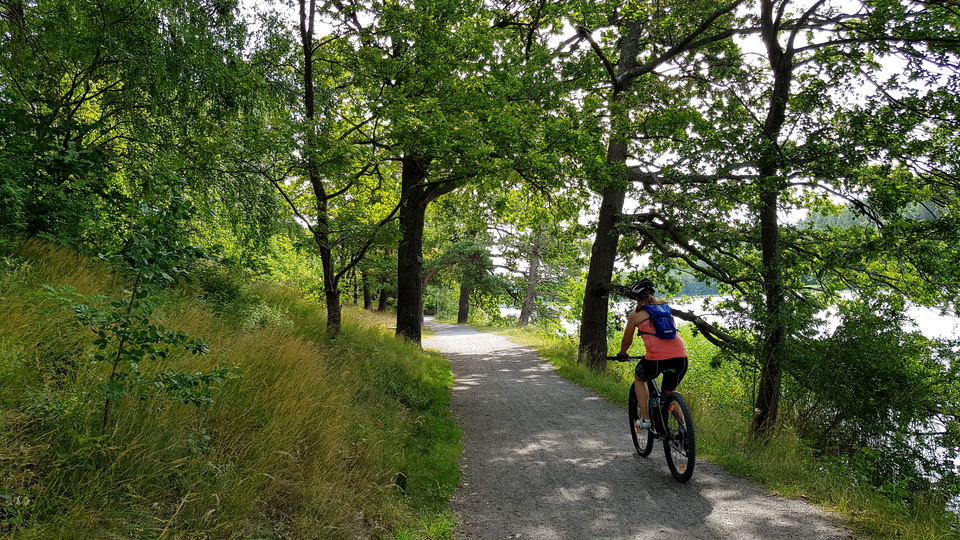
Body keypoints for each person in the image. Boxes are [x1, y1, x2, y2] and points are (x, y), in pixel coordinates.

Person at [617, 278, 688, 430]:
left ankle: (646, 418)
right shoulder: (665, 308)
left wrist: (623, 353)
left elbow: (626, 341)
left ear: (637, 297)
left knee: (639, 378)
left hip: (657, 359)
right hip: (681, 358)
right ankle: (685, 428)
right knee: (669, 393)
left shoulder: (635, 315)